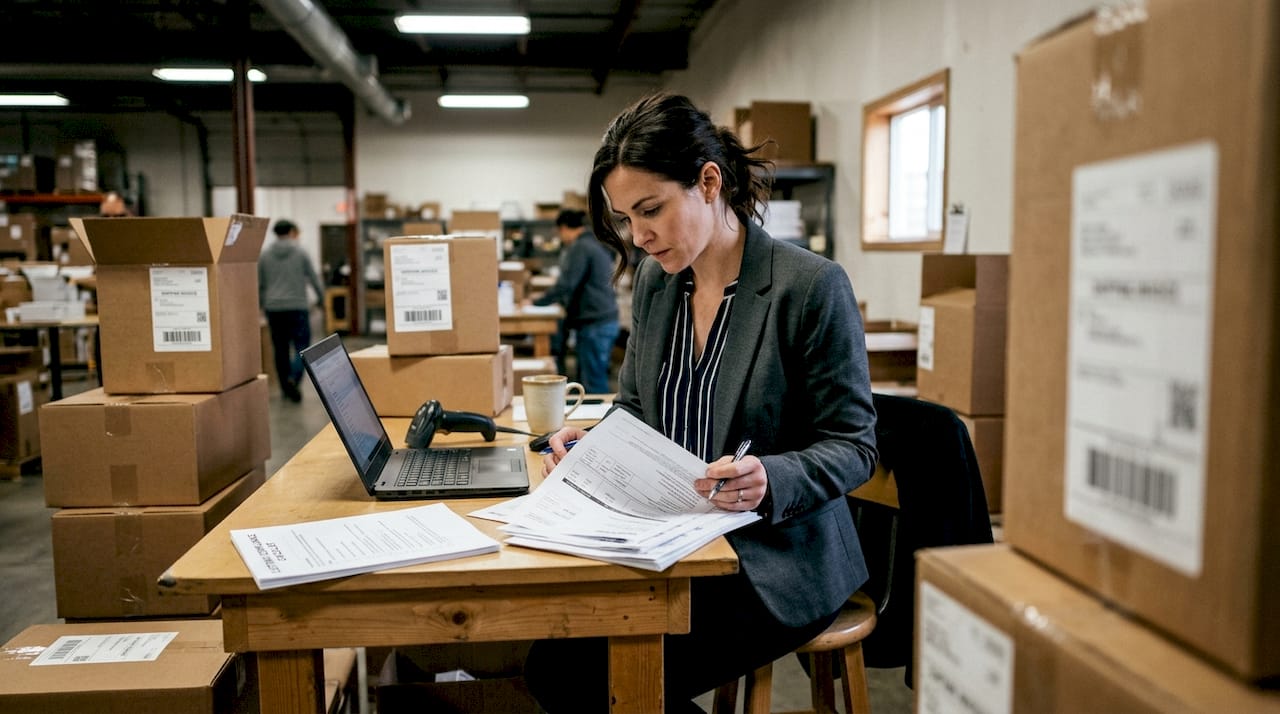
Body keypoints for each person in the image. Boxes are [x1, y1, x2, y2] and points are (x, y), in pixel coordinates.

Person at [522, 93, 878, 712]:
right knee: (555, 655)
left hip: (773, 556)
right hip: (674, 537)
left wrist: (771, 477)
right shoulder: (659, 284)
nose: (639, 235)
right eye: (625, 218)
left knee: (580, 676)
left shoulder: (810, 287)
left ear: (708, 182)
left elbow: (855, 445)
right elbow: (633, 406)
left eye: (651, 209)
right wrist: (593, 446)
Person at [528, 208, 620, 394]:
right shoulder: (593, 243)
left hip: (596, 323)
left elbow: (566, 284)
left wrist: (536, 303)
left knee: (594, 383)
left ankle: (601, 422)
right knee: (591, 378)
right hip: (602, 320)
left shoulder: (580, 247)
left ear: (564, 229)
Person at [258, 219, 324, 403]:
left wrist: (260, 305)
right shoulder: (301, 252)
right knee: (302, 347)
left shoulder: (264, 255)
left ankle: (286, 388)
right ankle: (294, 378)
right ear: (291, 231)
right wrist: (321, 298)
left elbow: (260, 284)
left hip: (274, 308)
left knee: (280, 349)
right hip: (297, 307)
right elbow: (313, 277)